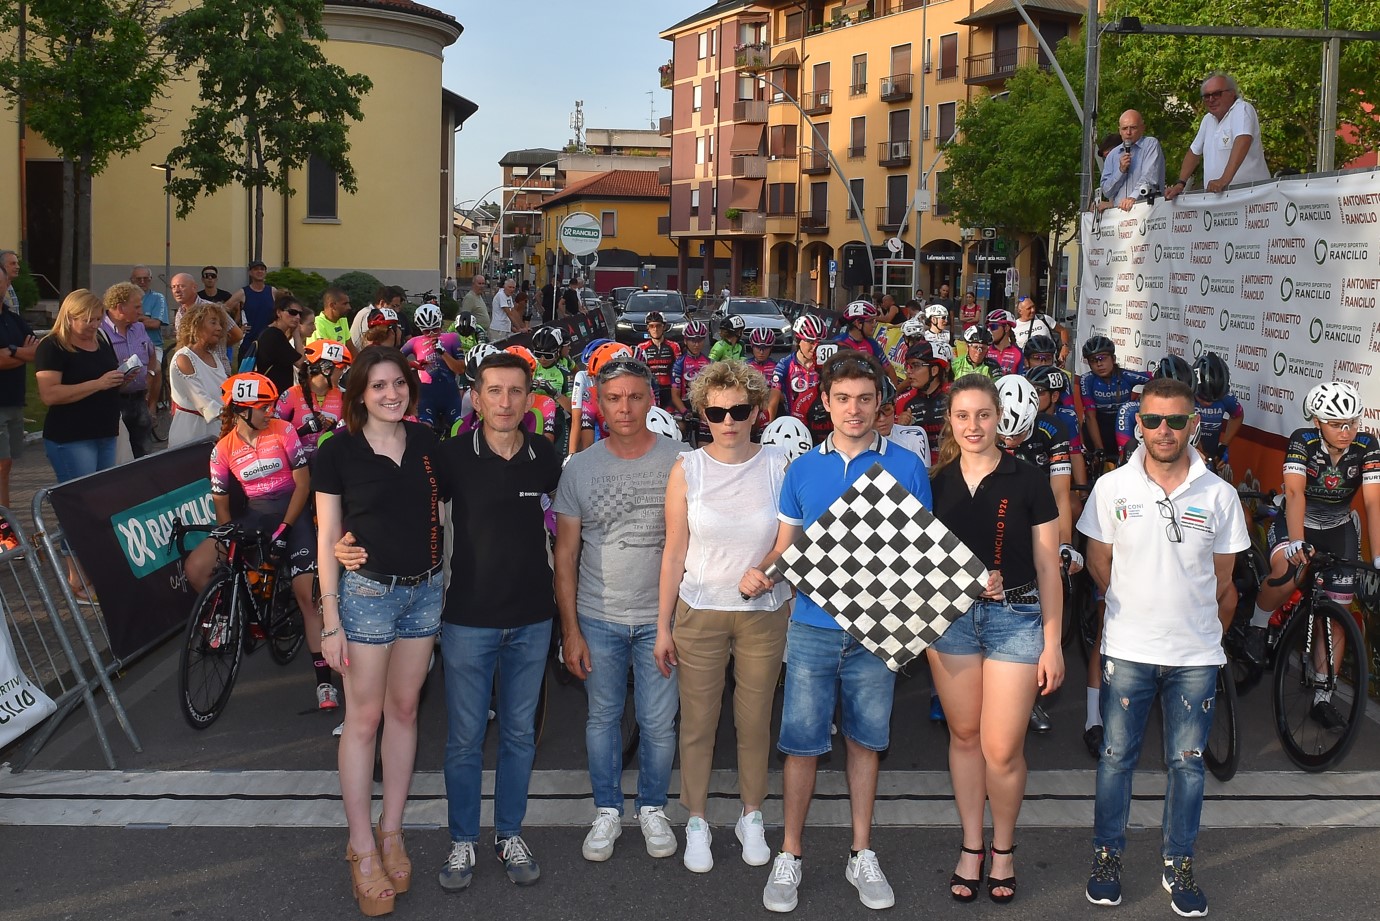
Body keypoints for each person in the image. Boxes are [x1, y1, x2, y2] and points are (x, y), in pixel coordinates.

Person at [741, 350, 933, 913]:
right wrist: (763, 572)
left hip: (878, 627)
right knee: (801, 743)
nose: (854, 410)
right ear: (824, 403)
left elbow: (920, 553)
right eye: (843, 399)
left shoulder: (907, 465)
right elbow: (786, 547)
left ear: (880, 405)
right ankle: (791, 854)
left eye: (866, 400)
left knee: (867, 742)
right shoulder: (801, 471)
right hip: (811, 627)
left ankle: (860, 851)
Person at [1079, 376, 1248, 918]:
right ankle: (1107, 857)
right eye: (1153, 420)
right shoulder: (1112, 489)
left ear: (1194, 424)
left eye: (1177, 420)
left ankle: (1179, 862)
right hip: (1128, 648)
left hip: (1195, 656)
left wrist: (1202, 634)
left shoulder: (1219, 495)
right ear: (1138, 425)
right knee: (1115, 760)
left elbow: (1225, 584)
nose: (1164, 430)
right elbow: (1099, 567)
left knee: (1188, 765)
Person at [394, 350, 556, 890]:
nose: (505, 402)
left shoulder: (547, 457)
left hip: (533, 619)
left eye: (515, 391)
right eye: (494, 391)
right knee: (463, 738)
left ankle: (508, 832)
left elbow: (573, 529)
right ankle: (463, 839)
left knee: (518, 736)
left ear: (529, 398)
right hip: (466, 620)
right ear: (477, 397)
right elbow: (405, 510)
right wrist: (351, 545)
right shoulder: (450, 457)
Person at [314, 348, 444, 913]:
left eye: (399, 384)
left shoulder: (428, 444)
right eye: (378, 386)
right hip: (366, 597)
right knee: (362, 719)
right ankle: (361, 847)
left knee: (406, 710)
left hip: (425, 591)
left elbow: (445, 518)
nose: (391, 394)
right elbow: (326, 539)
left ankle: (391, 830)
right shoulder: (336, 451)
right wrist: (330, 620)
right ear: (359, 394)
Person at [654, 360, 790, 874]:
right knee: (697, 724)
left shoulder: (779, 464)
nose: (728, 420)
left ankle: (752, 815)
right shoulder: (688, 468)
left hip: (763, 613)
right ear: (702, 415)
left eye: (739, 409)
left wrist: (768, 571)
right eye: (716, 411)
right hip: (699, 611)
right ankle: (696, 819)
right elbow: (673, 551)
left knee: (754, 722)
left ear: (756, 411)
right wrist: (662, 625)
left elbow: (791, 534)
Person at [554, 357, 683, 864]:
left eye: (634, 396)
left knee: (658, 722)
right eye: (613, 398)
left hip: (661, 619)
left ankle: (653, 806)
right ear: (599, 404)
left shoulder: (681, 460)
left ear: (651, 398)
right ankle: (607, 809)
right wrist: (571, 631)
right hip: (597, 617)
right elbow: (564, 556)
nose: (624, 407)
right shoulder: (580, 468)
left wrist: (671, 621)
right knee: (602, 717)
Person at [1242, 382, 1380, 696]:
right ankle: (1258, 623)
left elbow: (1373, 501)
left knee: (1337, 618)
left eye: (1352, 423)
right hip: (1297, 520)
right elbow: (1294, 492)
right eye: (1335, 424)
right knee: (1290, 574)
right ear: (1317, 422)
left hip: (1338, 528)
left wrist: (1378, 555)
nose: (1346, 431)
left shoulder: (1367, 445)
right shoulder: (1302, 441)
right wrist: (1296, 540)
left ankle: (1323, 696)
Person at [34, 289, 127, 482]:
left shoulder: (101, 340)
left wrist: (121, 379)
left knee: (102, 491)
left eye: (98, 319)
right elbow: (49, 394)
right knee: (82, 498)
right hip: (72, 435)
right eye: (87, 320)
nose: (94, 325)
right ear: (69, 317)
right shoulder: (52, 346)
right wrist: (98, 384)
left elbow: (104, 379)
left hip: (105, 431)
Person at [1166, 73, 1270, 199]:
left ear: (1231, 93)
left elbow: (1243, 140)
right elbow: (1193, 152)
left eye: (1216, 94)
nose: (1211, 99)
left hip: (1251, 198)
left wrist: (1223, 180)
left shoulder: (1242, 109)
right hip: (1219, 201)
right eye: (1206, 96)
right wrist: (1180, 184)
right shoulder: (1207, 120)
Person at [100, 282, 158, 459]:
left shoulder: (139, 328)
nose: (141, 311)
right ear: (120, 307)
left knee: (144, 455)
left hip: (139, 400)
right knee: (119, 457)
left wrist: (149, 377)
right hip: (113, 402)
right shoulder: (101, 331)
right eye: (137, 306)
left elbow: (151, 355)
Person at [0, 249, 38, 508]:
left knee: (7, 464)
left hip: (13, 400)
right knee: (1, 463)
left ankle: (5, 517)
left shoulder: (11, 318)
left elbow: (36, 350)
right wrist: (22, 354)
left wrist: (13, 352)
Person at [167, 302, 232, 448]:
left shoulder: (214, 357)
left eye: (220, 323)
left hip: (216, 429)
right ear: (196, 324)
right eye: (213, 322)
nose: (219, 328)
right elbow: (201, 399)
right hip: (191, 432)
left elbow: (225, 390)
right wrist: (232, 416)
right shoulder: (184, 358)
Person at [1079, 336, 1148, 463]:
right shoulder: (1087, 380)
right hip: (1098, 427)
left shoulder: (1126, 376)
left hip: (1123, 425)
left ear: (1113, 359)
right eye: (1094, 361)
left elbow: (1154, 377)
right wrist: (1099, 449)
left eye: (1103, 358)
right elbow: (1090, 417)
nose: (1099, 364)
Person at [276, 340, 349, 459]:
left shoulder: (342, 396)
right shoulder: (290, 395)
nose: (343, 372)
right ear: (326, 369)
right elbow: (274, 437)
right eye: (342, 367)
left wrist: (336, 430)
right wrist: (302, 431)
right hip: (297, 464)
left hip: (330, 461)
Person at [401, 304, 465, 435]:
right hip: (427, 396)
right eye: (426, 331)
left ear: (440, 324)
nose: (431, 334)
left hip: (450, 396)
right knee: (423, 433)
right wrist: (413, 364)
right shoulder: (414, 341)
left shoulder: (452, 338)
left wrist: (443, 353)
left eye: (435, 329)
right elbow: (393, 360)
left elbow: (461, 370)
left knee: (460, 431)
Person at [771, 315, 830, 444]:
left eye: (819, 342)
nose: (815, 347)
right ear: (798, 340)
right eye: (810, 341)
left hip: (825, 428)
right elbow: (773, 400)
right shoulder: (785, 364)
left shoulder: (826, 364)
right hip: (796, 429)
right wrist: (768, 428)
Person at [1100, 110, 1167, 210]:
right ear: (1119, 131)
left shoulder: (1150, 144)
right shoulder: (1113, 155)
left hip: (1146, 212)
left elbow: (1149, 178)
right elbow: (1106, 191)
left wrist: (1133, 198)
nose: (1128, 132)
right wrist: (1120, 171)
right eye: (1124, 128)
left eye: (1133, 128)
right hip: (1119, 216)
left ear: (1142, 128)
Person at [1190, 352, 1241, 472]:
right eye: (1202, 398)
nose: (1208, 403)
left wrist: (1223, 445)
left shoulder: (1226, 398)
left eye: (1214, 400)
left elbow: (1237, 415)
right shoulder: (1184, 396)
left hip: (1210, 455)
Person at [253, 294, 306, 393]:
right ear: (279, 313)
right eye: (292, 312)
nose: (297, 317)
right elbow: (301, 363)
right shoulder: (275, 335)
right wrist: (296, 335)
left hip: (272, 392)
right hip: (273, 394)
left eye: (300, 314)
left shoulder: (271, 332)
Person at [224, 260, 278, 347]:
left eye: (262, 269)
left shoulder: (273, 291)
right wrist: (236, 329)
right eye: (256, 269)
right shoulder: (243, 293)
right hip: (249, 342)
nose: (259, 271)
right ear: (250, 273)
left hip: (269, 340)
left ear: (265, 272)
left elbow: (282, 312)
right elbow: (222, 310)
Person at [634, 311, 680, 408]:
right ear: (648, 328)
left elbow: (679, 371)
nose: (655, 329)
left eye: (658, 326)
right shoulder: (641, 347)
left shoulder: (674, 346)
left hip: (670, 390)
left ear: (664, 327)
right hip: (650, 391)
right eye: (651, 326)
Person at [130, 265, 170, 353]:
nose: (142, 282)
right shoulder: (125, 299)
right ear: (132, 280)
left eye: (146, 279)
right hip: (130, 345)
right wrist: (144, 318)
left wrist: (132, 320)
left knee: (156, 367)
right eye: (138, 279)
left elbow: (155, 324)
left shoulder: (158, 298)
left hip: (154, 346)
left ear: (150, 279)